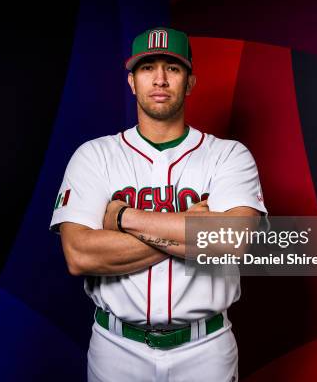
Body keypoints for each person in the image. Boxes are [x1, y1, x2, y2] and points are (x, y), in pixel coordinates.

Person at [50, 27, 267, 382]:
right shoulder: (94, 156)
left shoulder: (228, 155)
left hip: (206, 348)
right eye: (148, 67)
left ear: (190, 82)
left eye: (173, 68)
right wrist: (191, 230)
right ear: (132, 82)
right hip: (116, 348)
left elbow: (232, 242)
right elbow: (80, 255)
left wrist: (123, 217)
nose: (161, 79)